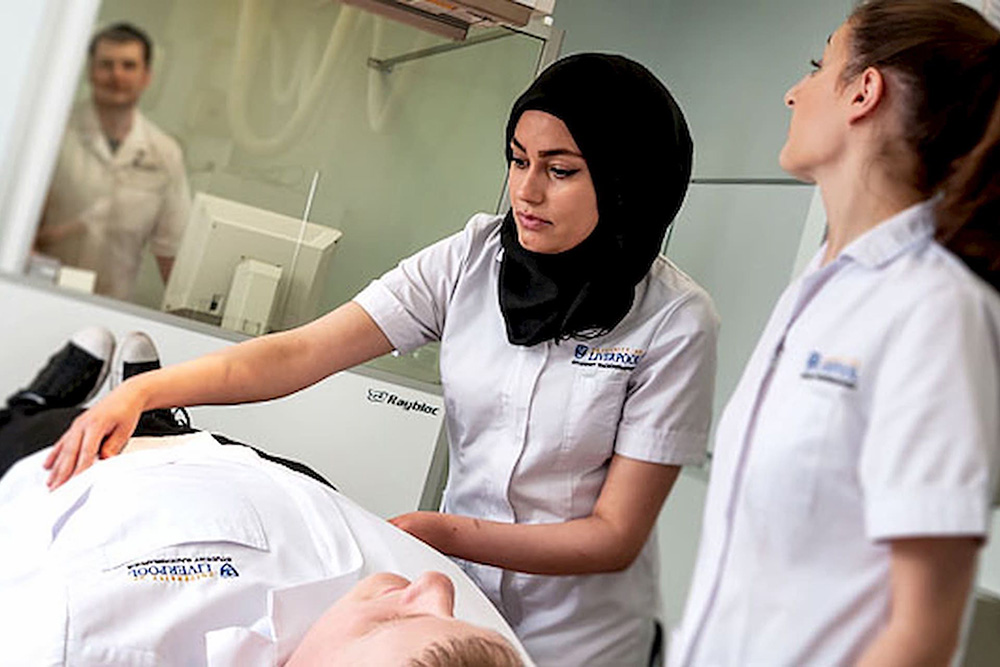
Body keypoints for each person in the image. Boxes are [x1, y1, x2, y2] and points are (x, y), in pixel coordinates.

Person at [44, 54, 719, 665]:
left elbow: (612, 535)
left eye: (561, 169)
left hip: (583, 638)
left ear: (628, 182)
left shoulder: (674, 320)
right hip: (457, 598)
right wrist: (145, 394)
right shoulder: (472, 258)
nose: (526, 191)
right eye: (517, 160)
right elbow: (304, 350)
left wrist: (434, 530)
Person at [669, 2, 1000, 665]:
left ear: (863, 91)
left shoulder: (938, 308)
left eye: (819, 67)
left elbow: (922, 634)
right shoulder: (821, 287)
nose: (795, 91)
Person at [0, 328, 526, 667]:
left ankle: (34, 405)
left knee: (36, 438)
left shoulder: (60, 639)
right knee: (196, 443)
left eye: (391, 621)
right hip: (272, 487)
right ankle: (157, 414)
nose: (433, 586)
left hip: (91, 479)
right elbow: (305, 350)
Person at [35, 22, 191, 301]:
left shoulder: (165, 153)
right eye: (106, 64)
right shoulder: (53, 133)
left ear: (146, 76)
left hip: (112, 308)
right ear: (91, 72)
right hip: (41, 292)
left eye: (128, 65)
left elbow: (172, 253)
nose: (116, 75)